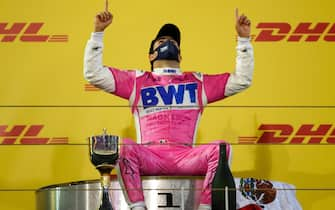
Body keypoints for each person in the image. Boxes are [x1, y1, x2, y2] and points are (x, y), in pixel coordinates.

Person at [84, 1, 254, 209]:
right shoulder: (138, 80)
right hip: (149, 156)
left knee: (221, 149)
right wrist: (98, 33)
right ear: (151, 55)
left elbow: (242, 80)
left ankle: (205, 207)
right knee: (125, 146)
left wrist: (244, 40)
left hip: (186, 157)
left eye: (174, 42)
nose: (169, 42)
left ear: (180, 56)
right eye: (162, 40)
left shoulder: (197, 82)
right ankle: (138, 207)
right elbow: (94, 74)